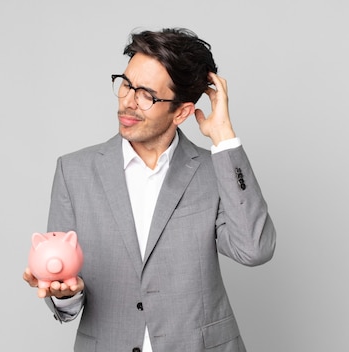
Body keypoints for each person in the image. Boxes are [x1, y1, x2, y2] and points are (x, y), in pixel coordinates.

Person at [23, 27, 276, 352]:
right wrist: (65, 292)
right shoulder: (74, 171)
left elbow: (254, 249)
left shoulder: (215, 171)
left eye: (146, 94)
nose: (128, 102)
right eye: (126, 84)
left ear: (182, 112)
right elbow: (63, 282)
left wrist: (224, 138)